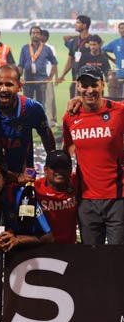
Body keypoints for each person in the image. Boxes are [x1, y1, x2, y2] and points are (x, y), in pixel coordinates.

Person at [63, 64, 124, 244]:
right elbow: (68, 148)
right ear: (78, 86)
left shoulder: (118, 111)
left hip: (117, 198)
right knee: (90, 259)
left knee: (118, 258)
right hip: (86, 200)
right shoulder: (70, 117)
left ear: (103, 85)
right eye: (84, 85)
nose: (89, 90)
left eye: (94, 85)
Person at [0, 64, 55, 180]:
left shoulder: (32, 108)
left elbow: (46, 136)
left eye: (9, 84)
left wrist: (53, 163)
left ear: (19, 86)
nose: (3, 89)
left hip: (22, 178)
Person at [0, 153, 53, 255]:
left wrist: (17, 240)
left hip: (19, 261)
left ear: (5, 179)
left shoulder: (23, 197)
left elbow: (48, 237)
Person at [35, 150, 78, 244]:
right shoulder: (35, 188)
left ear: (70, 169)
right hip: (43, 246)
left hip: (69, 246)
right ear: (45, 170)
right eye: (55, 167)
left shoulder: (76, 182)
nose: (60, 171)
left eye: (64, 167)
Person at [18, 26, 57, 109]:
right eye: (33, 33)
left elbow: (54, 62)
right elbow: (21, 64)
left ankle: (40, 121)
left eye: (37, 33)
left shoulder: (46, 49)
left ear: (41, 35)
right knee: (27, 103)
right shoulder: (25, 48)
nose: (35, 35)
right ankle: (28, 121)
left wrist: (50, 77)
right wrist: (19, 77)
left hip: (42, 80)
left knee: (41, 104)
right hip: (28, 80)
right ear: (30, 35)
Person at [58, 14, 91, 98]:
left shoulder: (92, 40)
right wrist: (62, 75)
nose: (75, 24)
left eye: (78, 22)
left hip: (88, 79)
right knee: (74, 102)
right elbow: (70, 59)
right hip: (75, 77)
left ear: (84, 25)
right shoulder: (74, 41)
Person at [41, 29, 58, 126]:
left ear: (46, 37)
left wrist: (54, 77)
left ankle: (52, 120)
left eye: (42, 35)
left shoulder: (50, 48)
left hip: (48, 77)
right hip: (36, 78)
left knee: (49, 99)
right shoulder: (32, 47)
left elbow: (55, 64)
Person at [103, 22, 124, 98]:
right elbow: (102, 50)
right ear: (119, 30)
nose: (123, 30)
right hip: (119, 74)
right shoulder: (115, 43)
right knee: (117, 98)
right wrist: (112, 59)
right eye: (121, 28)